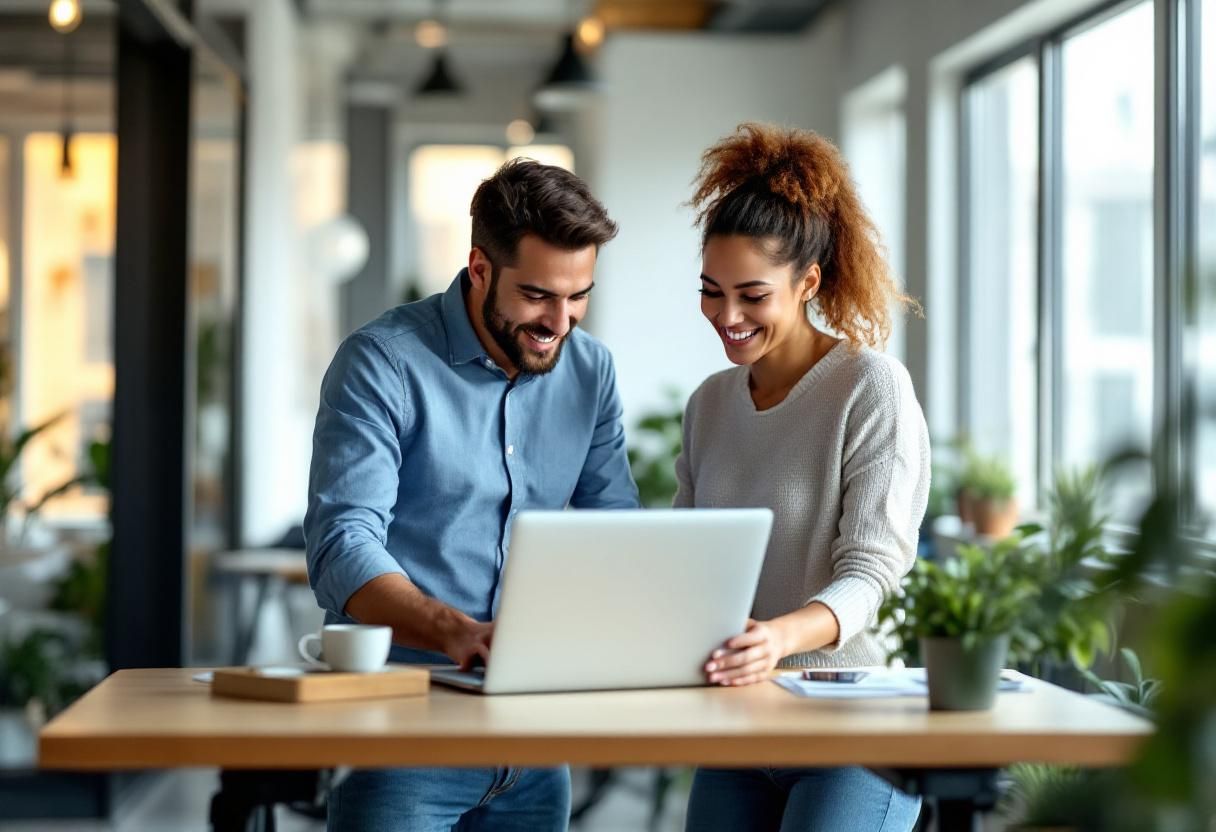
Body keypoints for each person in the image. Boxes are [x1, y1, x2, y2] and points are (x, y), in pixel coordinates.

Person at [303, 158, 639, 832]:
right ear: (480, 268)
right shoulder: (384, 361)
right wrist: (458, 632)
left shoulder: (590, 370)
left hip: (535, 737)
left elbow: (617, 532)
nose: (561, 321)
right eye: (539, 295)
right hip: (403, 730)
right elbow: (343, 545)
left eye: (579, 296)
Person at [676, 123, 930, 832]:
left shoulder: (869, 388)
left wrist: (777, 639)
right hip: (738, 724)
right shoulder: (709, 405)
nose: (727, 317)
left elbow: (871, 574)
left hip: (851, 727)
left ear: (808, 282)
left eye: (752, 295)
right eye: (711, 291)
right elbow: (683, 562)